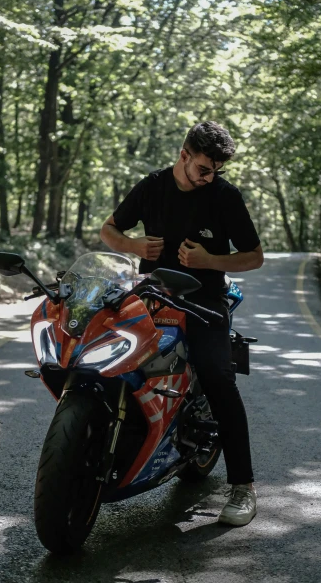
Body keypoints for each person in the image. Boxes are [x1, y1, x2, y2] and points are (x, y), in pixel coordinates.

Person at [100, 121, 263, 526]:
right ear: (184, 155)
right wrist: (133, 246)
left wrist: (211, 261)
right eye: (204, 169)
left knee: (218, 377)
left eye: (216, 171)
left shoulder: (225, 197)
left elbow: (254, 256)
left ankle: (243, 487)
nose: (210, 177)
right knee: (112, 360)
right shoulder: (152, 186)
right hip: (152, 295)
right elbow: (108, 229)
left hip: (204, 300)